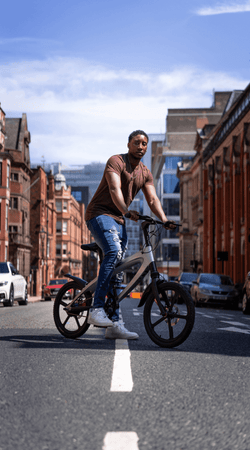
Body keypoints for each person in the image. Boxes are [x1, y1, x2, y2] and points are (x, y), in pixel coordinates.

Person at [85, 130, 176, 339]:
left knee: (117, 271)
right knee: (114, 251)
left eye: (145, 143)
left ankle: (114, 323)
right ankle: (96, 308)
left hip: (119, 219)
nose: (141, 147)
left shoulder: (145, 172)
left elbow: (152, 200)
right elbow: (115, 189)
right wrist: (126, 211)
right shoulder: (116, 161)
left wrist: (164, 218)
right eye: (137, 142)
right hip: (99, 214)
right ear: (128, 145)